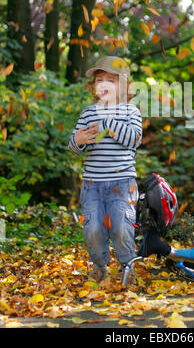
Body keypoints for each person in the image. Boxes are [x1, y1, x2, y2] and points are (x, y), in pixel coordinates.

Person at [68, 56, 143, 283]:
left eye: (111, 80)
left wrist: (109, 123)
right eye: (100, 80)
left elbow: (134, 139)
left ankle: (127, 265)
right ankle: (100, 265)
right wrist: (78, 139)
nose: (104, 84)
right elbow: (75, 147)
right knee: (93, 229)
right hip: (93, 183)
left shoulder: (131, 112)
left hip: (123, 183)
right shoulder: (89, 113)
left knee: (121, 226)